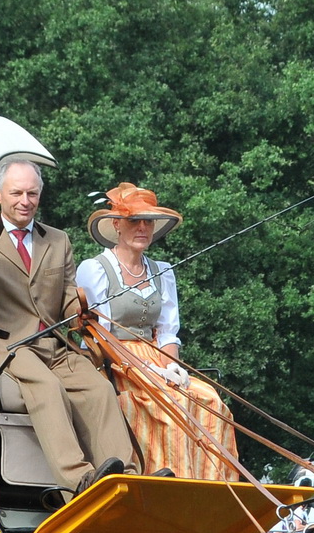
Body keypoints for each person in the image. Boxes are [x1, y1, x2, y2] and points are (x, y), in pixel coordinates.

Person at [0, 157, 138, 500]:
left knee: (99, 388)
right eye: (16, 192)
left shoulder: (58, 240)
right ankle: (79, 480)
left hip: (56, 344)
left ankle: (128, 476)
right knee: (47, 388)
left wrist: (80, 310)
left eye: (32, 193)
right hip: (6, 348)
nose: (25, 201)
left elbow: (64, 297)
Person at [76, 183, 238, 481]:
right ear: (116, 225)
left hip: (158, 359)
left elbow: (166, 331)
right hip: (116, 364)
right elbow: (101, 335)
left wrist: (172, 366)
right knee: (168, 405)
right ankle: (169, 482)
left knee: (211, 401)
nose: (142, 228)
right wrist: (147, 369)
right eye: (133, 221)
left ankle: (211, 489)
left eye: (148, 222)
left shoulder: (162, 270)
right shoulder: (95, 268)